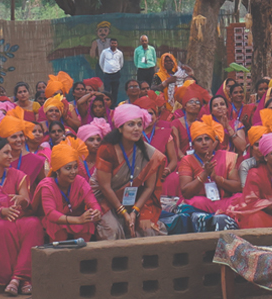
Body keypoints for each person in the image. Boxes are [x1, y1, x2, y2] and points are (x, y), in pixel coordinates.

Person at [0, 137, 43, 296]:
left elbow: (26, 199)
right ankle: (20, 279)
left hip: (18, 218)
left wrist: (22, 201)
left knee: (34, 224)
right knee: (2, 226)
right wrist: (2, 212)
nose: (11, 156)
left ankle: (17, 278)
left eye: (11, 153)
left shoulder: (18, 175)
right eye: (6, 153)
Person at [91, 104, 167, 239]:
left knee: (149, 230)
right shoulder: (107, 149)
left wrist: (134, 212)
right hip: (104, 198)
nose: (136, 128)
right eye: (131, 124)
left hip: (134, 200)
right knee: (112, 229)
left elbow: (150, 187)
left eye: (139, 124)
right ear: (120, 128)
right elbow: (105, 187)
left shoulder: (148, 153)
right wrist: (124, 213)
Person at [176, 116, 242, 229]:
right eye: (199, 140)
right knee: (188, 203)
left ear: (213, 141)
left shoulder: (228, 157)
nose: (204, 143)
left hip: (223, 202)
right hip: (200, 203)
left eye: (207, 138)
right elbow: (186, 192)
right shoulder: (187, 160)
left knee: (240, 198)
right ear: (193, 143)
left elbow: (237, 187)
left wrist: (216, 178)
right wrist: (204, 174)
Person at [34, 139, 102, 242]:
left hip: (75, 219)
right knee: (55, 225)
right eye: (68, 168)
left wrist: (96, 212)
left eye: (75, 167)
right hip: (56, 222)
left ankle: (83, 256)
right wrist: (78, 220)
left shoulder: (80, 181)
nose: (73, 172)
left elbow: (93, 203)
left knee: (87, 223)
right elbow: (51, 214)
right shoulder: (47, 186)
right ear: (57, 170)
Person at [0, 108, 46, 192]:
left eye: (21, 136)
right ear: (5, 139)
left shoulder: (35, 161)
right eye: (14, 137)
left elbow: (43, 187)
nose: (19, 140)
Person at [134, 95, 177, 180]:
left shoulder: (165, 133)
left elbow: (174, 161)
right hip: (138, 176)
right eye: (144, 114)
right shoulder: (132, 135)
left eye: (151, 113)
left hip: (161, 176)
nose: (148, 116)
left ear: (156, 116)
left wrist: (167, 170)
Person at [171, 83, 211, 155]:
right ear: (185, 106)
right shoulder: (176, 124)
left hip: (200, 160)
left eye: (197, 102)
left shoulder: (202, 123)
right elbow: (176, 149)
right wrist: (187, 161)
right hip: (182, 161)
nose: (194, 104)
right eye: (191, 102)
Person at [99, 38, 124, 107]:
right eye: (112, 43)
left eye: (115, 43)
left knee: (115, 91)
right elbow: (101, 62)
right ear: (110, 44)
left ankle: (114, 105)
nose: (113, 44)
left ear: (117, 44)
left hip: (116, 74)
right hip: (107, 74)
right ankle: (106, 105)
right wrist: (105, 70)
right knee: (107, 90)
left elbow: (121, 63)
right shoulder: (105, 52)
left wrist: (116, 69)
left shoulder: (119, 53)